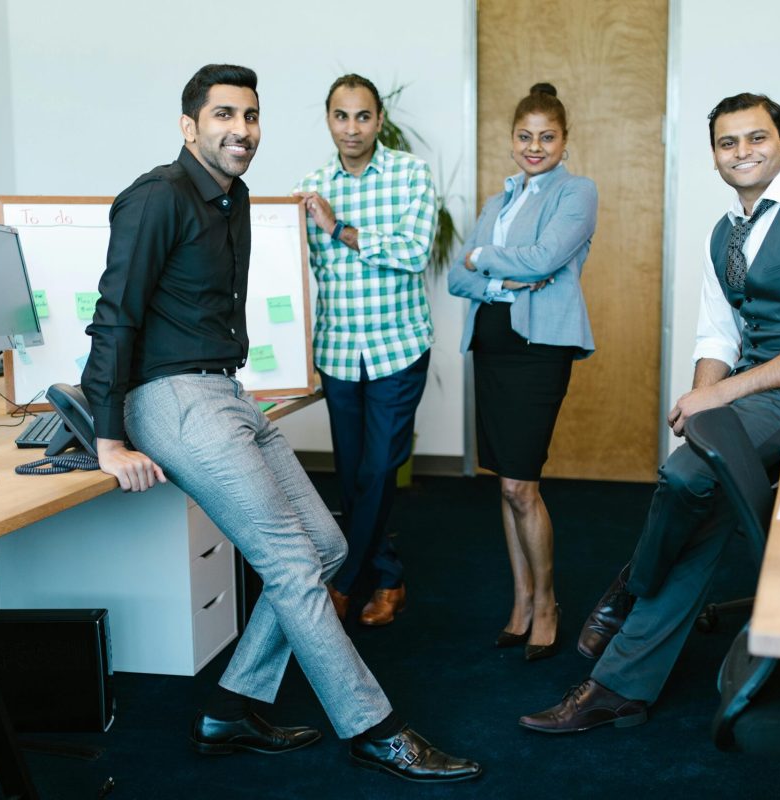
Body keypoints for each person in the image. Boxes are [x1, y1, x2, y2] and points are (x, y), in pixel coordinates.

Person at [81, 63, 480, 783]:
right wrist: (109, 437)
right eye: (224, 115)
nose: (241, 130)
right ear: (189, 125)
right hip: (172, 399)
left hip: (226, 391)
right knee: (294, 566)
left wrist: (239, 387)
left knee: (326, 547)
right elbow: (116, 316)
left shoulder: (233, 200)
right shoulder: (155, 198)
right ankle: (375, 728)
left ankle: (229, 711)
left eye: (251, 116)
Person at [520, 92, 780, 731]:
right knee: (706, 503)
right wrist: (699, 400)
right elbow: (717, 338)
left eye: (757, 138)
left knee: (687, 475)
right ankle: (619, 688)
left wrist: (718, 399)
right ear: (715, 156)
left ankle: (631, 589)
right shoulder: (725, 234)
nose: (743, 152)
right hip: (760, 389)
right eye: (727, 143)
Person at [448, 83, 597, 661]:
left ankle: (547, 602)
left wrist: (483, 259)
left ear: (564, 141)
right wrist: (498, 279)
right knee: (505, 484)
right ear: (512, 139)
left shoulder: (577, 192)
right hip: (492, 346)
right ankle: (520, 601)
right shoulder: (498, 201)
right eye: (524, 136)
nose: (534, 147)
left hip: (537, 351)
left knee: (521, 483)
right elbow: (456, 280)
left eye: (547, 137)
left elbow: (544, 260)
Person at [292, 74, 437, 627]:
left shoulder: (409, 175)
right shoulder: (310, 184)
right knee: (353, 473)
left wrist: (339, 226)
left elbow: (413, 253)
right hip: (337, 350)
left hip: (397, 347)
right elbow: (303, 270)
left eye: (362, 116)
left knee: (378, 469)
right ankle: (390, 577)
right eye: (340, 116)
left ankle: (346, 581)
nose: (351, 128)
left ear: (379, 120)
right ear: (328, 119)